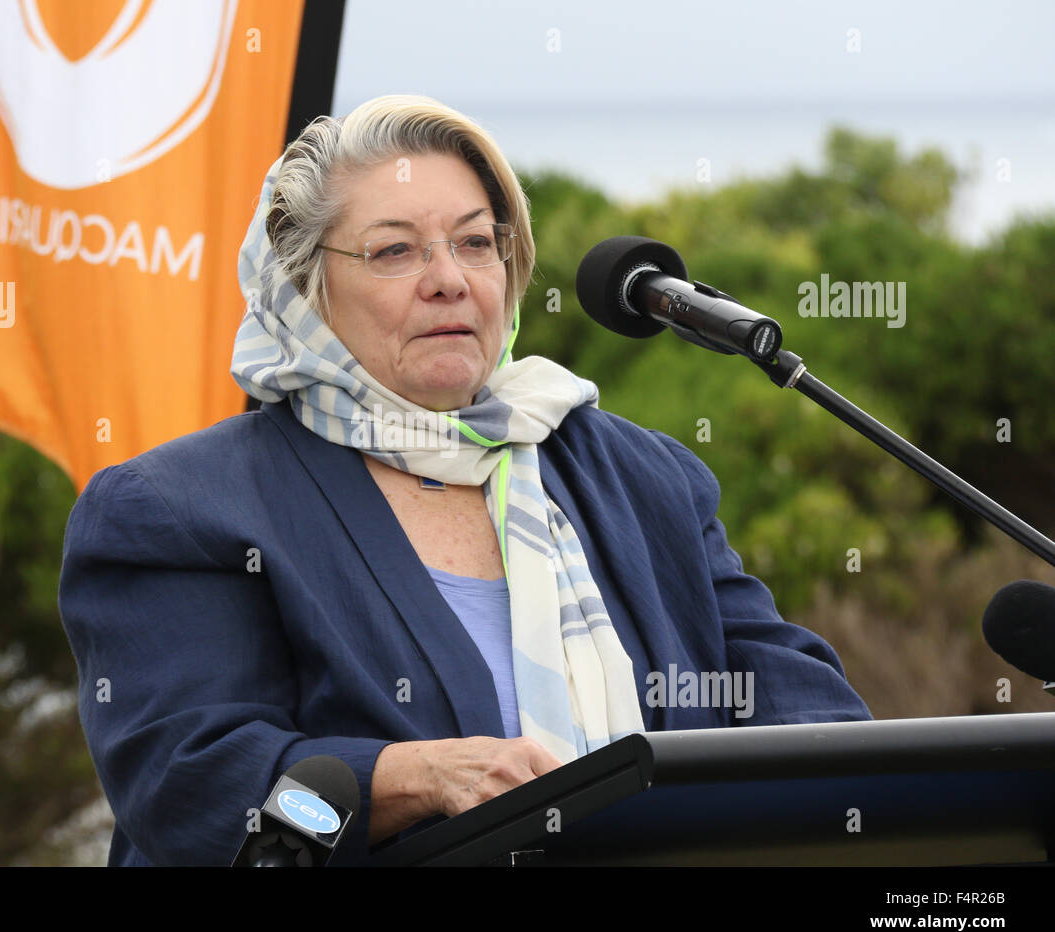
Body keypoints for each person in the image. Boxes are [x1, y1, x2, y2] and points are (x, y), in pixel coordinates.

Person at [57, 93, 872, 867]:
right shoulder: (181, 509)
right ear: (305, 288)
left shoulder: (641, 477)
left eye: (476, 242)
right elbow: (191, 785)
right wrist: (416, 779)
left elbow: (804, 711)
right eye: (394, 250)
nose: (449, 278)